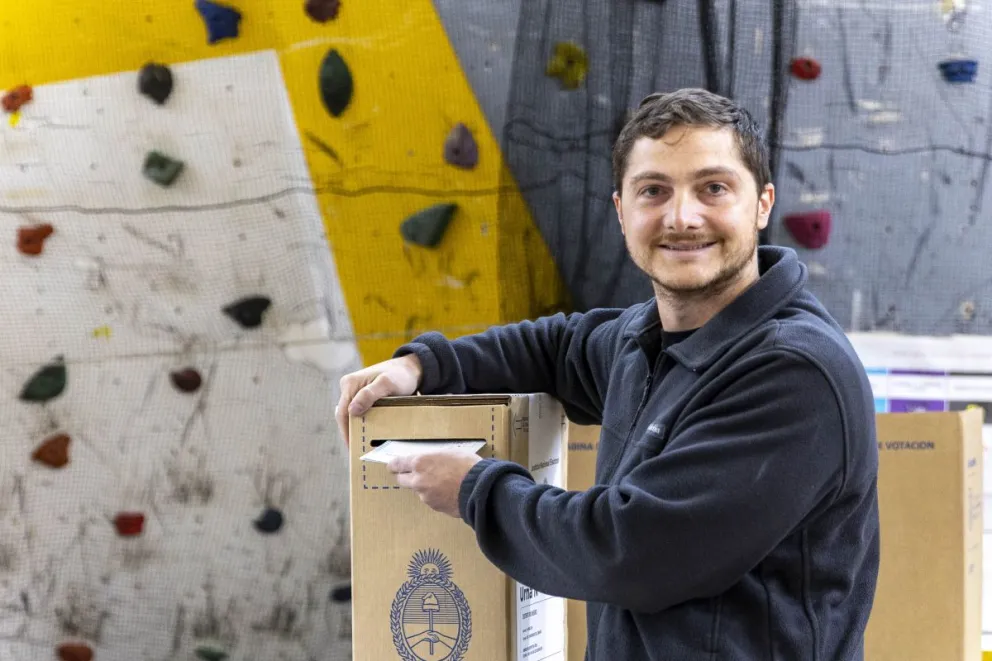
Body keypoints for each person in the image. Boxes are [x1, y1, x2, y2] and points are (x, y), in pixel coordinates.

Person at [336, 88, 879, 661]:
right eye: (654, 191)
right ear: (622, 211)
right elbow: (556, 346)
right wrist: (421, 365)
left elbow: (634, 551)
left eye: (713, 188)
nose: (682, 216)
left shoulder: (792, 373)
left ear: (762, 204)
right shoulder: (647, 339)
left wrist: (475, 489)